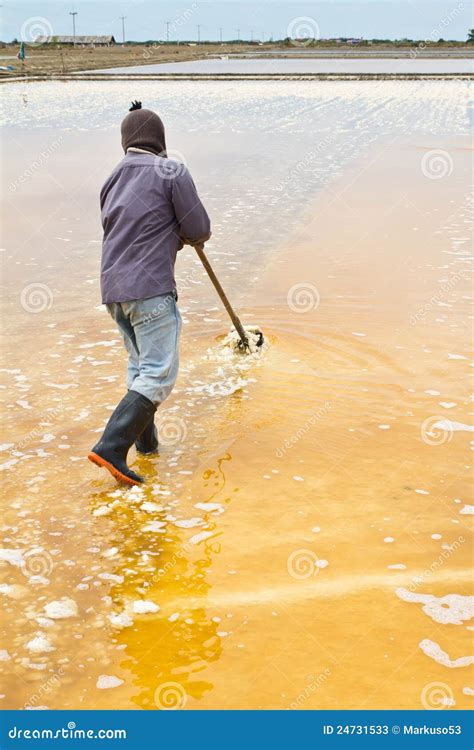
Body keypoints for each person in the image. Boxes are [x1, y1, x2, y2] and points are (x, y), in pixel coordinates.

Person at [88, 101, 211, 486]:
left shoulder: (111, 177)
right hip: (151, 288)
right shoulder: (170, 168)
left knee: (140, 367)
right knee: (159, 373)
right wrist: (182, 233)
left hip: (114, 291)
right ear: (159, 140)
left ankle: (146, 447)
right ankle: (111, 446)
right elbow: (199, 227)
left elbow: (120, 227)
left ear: (126, 142)